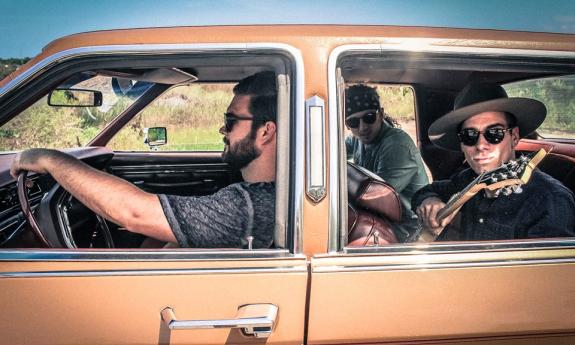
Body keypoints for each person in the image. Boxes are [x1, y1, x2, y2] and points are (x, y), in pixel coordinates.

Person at [10, 71, 278, 249]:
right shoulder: (260, 198)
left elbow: (134, 213)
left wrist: (49, 159)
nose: (222, 129)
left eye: (230, 121)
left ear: (266, 131)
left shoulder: (252, 205)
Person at [413, 82, 575, 241]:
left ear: (514, 136)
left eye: (494, 133)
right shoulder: (466, 179)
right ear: (461, 144)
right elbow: (425, 191)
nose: (481, 145)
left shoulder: (549, 200)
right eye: (469, 135)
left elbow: (550, 268)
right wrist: (430, 201)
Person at [345, 84, 429, 242]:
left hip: (409, 230)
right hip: (384, 220)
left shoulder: (397, 145)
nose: (362, 127)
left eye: (369, 117)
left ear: (381, 114)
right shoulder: (356, 139)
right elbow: (331, 154)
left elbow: (377, 199)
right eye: (354, 122)